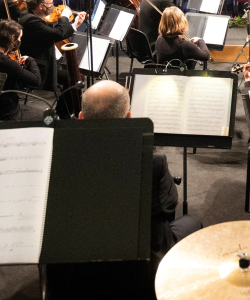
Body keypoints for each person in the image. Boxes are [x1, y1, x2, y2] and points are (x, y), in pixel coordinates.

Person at [79, 80, 201, 264]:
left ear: (81, 117)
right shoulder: (153, 162)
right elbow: (169, 206)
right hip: (144, 261)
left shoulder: (60, 159)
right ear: (129, 117)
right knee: (192, 222)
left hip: (82, 258)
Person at [18, 0, 85, 98]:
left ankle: (66, 109)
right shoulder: (31, 20)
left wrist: (75, 25)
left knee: (76, 73)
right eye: (50, 4)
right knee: (76, 78)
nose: (53, 7)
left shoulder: (35, 17)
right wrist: (64, 16)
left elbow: (52, 35)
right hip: (41, 66)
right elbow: (57, 33)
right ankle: (65, 110)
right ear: (41, 6)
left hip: (50, 59)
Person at [0, 20, 45, 121]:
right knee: (48, 117)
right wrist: (31, 60)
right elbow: (36, 81)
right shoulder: (5, 62)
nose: (20, 41)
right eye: (19, 38)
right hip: (8, 114)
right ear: (12, 39)